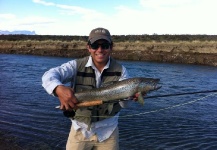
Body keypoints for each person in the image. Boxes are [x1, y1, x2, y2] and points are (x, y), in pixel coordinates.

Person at [42, 27, 140, 150]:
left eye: (104, 45)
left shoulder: (122, 71)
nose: (100, 50)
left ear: (111, 47)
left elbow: (124, 105)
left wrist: (130, 96)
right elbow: (49, 75)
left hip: (108, 132)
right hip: (79, 130)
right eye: (95, 45)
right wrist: (58, 88)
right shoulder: (75, 66)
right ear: (88, 47)